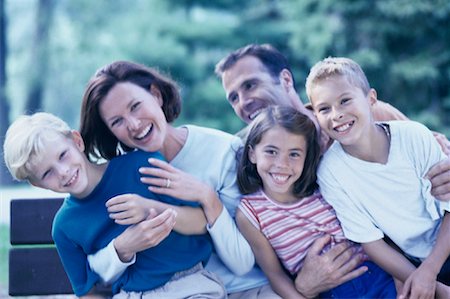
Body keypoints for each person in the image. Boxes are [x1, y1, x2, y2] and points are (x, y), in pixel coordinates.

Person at [215, 43, 450, 298]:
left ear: (284, 79)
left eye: (250, 85)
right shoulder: (246, 153)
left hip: (410, 258)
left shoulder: (364, 112)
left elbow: (433, 156)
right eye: (233, 97)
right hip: (373, 270)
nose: (244, 101)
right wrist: (303, 288)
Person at [79, 61, 281, 298]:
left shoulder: (223, 151)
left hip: (245, 289)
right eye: (117, 121)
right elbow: (97, 265)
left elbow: (243, 264)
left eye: (135, 106)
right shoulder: (119, 177)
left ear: (156, 95)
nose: (133, 125)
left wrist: (206, 197)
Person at [2, 112, 226, 298]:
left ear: (77, 141)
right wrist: (122, 249)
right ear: (37, 184)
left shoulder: (142, 165)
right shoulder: (64, 227)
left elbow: (201, 222)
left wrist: (151, 208)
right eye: (47, 173)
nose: (63, 172)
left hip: (191, 285)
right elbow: (86, 292)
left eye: (63, 155)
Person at [306, 57, 450, 299]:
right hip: (412, 261)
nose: (336, 114)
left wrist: (429, 272)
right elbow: (371, 243)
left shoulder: (413, 136)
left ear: (371, 98)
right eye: (324, 109)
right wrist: (433, 285)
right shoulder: (331, 172)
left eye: (345, 101)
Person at [235, 105, 396, 298]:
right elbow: (276, 276)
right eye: (271, 151)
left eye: (294, 154)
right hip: (330, 293)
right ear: (252, 153)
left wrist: (399, 276)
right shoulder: (250, 214)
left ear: (306, 156)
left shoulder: (324, 183)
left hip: (376, 274)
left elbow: (379, 229)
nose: (282, 164)